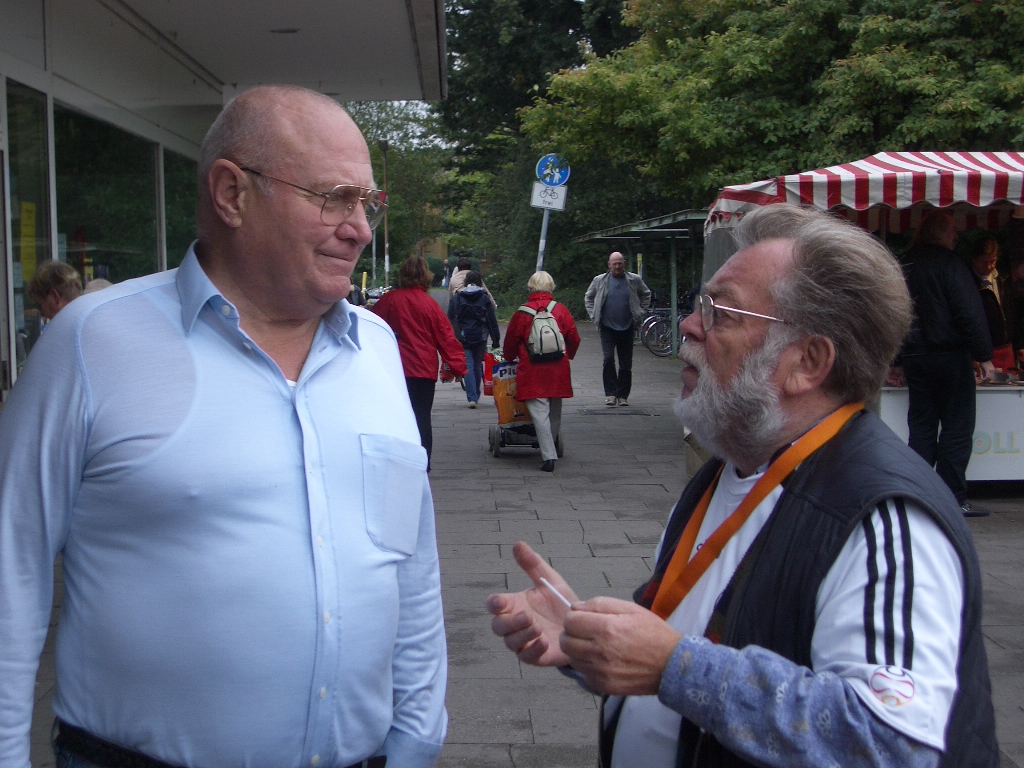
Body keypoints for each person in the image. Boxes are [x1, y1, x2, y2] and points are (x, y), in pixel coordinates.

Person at [0, 85, 448, 768]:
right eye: (335, 198)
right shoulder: (92, 343)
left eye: (367, 202)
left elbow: (409, 562)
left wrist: (417, 737)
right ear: (232, 194)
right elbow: (12, 570)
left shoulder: (378, 349)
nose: (360, 228)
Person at [488, 204, 998, 768]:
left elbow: (890, 743)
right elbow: (686, 635)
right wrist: (586, 640)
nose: (689, 325)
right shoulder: (730, 468)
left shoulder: (885, 518)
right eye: (699, 305)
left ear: (807, 362)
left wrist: (676, 667)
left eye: (719, 311)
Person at [900, 210, 994, 516]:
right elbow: (968, 312)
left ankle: (917, 493)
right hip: (950, 355)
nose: (956, 235)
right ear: (940, 232)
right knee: (957, 427)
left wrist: (896, 358)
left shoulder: (904, 263)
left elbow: (893, 313)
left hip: (915, 356)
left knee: (921, 427)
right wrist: (984, 355)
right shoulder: (950, 264)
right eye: (952, 230)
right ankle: (952, 497)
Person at [372, 255, 467, 466]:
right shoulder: (429, 305)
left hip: (394, 369)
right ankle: (423, 464)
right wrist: (458, 367)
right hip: (423, 370)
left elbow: (371, 329)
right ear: (426, 276)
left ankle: (397, 460)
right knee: (421, 416)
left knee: (394, 416)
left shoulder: (389, 301)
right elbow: (446, 337)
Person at [502, 271, 580, 472]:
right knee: (554, 412)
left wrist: (509, 357)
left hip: (532, 370)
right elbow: (574, 338)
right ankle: (550, 446)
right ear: (551, 287)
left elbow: (510, 341)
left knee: (539, 414)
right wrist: (567, 355)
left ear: (530, 287)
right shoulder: (560, 310)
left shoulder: (522, 313)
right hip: (558, 369)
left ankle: (548, 456)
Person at [584, 252, 651, 406]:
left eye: (620, 263)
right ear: (609, 265)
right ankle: (611, 394)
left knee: (625, 363)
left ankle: (622, 396)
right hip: (607, 327)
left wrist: (640, 312)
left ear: (624, 263)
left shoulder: (634, 280)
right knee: (608, 359)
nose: (617, 266)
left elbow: (646, 294)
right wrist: (594, 314)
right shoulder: (600, 280)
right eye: (614, 264)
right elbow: (588, 297)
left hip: (627, 326)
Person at [447, 270, 500, 408]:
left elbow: (450, 318)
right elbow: (491, 321)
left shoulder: (457, 298)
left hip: (463, 336)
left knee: (468, 365)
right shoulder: (484, 298)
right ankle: (476, 393)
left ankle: (472, 397)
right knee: (477, 365)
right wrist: (496, 340)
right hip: (481, 336)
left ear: (465, 282)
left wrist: (451, 338)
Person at [970, 236, 1013, 370]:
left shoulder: (1003, 279)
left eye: (993, 261)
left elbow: (1013, 313)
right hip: (982, 350)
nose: (989, 266)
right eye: (984, 262)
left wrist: (1019, 344)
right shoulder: (967, 282)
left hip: (1006, 346)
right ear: (974, 259)